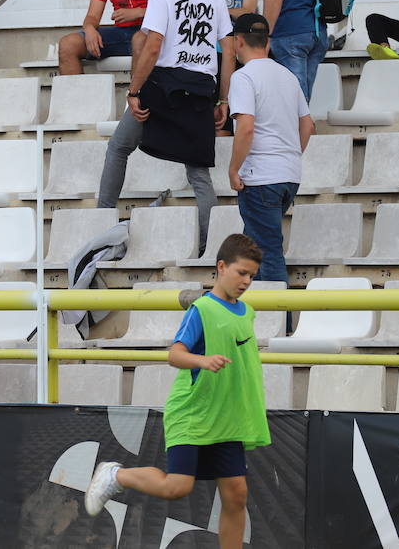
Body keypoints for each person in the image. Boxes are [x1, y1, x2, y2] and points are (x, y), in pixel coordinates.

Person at [84, 233, 269, 549]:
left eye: (252, 275)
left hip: (227, 419)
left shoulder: (247, 312)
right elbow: (175, 354)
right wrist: (203, 360)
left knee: (236, 493)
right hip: (193, 414)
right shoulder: (202, 310)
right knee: (177, 487)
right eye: (241, 272)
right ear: (221, 267)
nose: (247, 281)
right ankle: (116, 476)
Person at [108, 0, 232, 245]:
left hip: (164, 86)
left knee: (119, 146)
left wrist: (134, 90)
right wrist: (224, 99)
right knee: (198, 173)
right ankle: (209, 243)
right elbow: (228, 51)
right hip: (202, 87)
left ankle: (101, 215)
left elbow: (153, 46)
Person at [227, 15, 311, 282]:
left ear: (238, 41)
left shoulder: (243, 78)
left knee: (266, 253)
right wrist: (289, 156)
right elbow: (307, 125)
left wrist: (233, 169)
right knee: (250, 251)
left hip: (261, 177)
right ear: (267, 41)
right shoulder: (287, 75)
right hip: (289, 175)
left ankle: (278, 320)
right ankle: (257, 316)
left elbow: (246, 128)